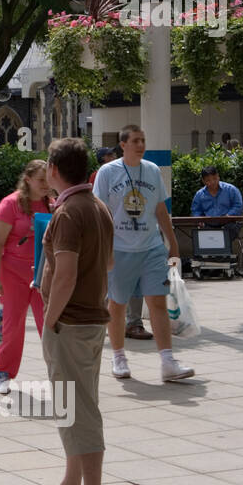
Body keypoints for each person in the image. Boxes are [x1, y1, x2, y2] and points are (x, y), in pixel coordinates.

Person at [21, 137, 114, 485]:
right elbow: (107, 264)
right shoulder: (97, 207)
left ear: (55, 172)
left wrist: (52, 319)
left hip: (71, 323)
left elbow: (65, 274)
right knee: (74, 404)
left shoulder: (69, 213)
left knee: (78, 410)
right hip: (89, 319)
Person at [92, 124, 193, 382]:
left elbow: (160, 209)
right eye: (135, 140)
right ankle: (118, 357)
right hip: (119, 248)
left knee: (157, 301)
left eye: (143, 140)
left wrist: (172, 242)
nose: (141, 145)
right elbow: (100, 212)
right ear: (123, 144)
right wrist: (104, 248)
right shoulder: (107, 172)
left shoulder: (152, 170)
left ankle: (168, 361)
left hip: (151, 247)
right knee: (117, 305)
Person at [0, 159, 53, 394]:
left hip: (43, 273)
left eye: (48, 180)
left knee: (49, 324)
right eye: (41, 180)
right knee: (12, 325)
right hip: (13, 273)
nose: (46, 184)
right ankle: (2, 372)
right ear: (28, 179)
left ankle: (58, 372)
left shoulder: (53, 205)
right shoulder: (10, 204)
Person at [91, 145, 148, 340]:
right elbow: (98, 204)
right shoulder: (100, 175)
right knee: (112, 281)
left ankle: (134, 322)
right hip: (113, 237)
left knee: (136, 281)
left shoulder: (141, 174)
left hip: (137, 237)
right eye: (108, 156)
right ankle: (109, 320)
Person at [190, 165, 243, 237]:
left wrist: (228, 216)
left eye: (214, 178)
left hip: (230, 223)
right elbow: (196, 210)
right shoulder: (199, 194)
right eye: (208, 180)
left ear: (218, 176)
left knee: (226, 233)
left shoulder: (231, 189)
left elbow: (238, 205)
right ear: (203, 181)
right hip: (208, 225)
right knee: (203, 236)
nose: (212, 182)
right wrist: (199, 220)